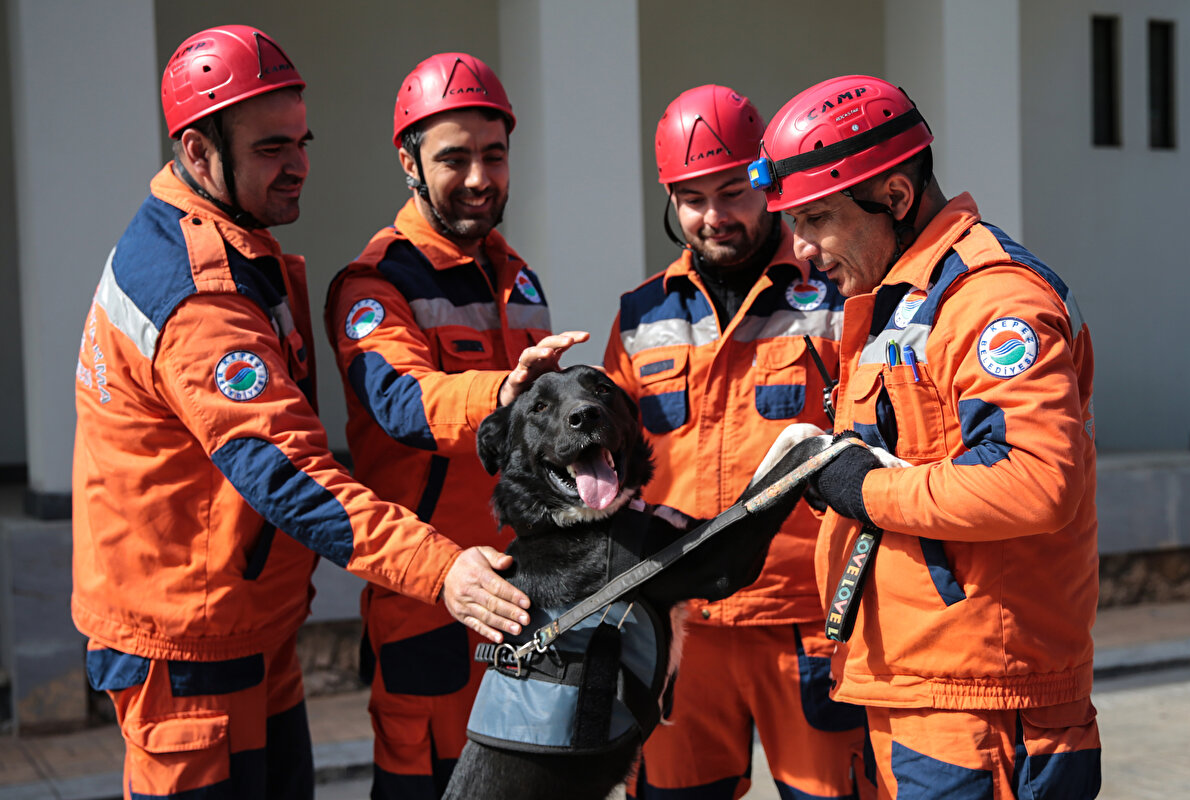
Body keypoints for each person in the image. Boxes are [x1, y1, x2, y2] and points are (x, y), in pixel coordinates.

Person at [72, 27, 533, 799]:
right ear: (197, 151)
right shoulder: (199, 292)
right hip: (189, 646)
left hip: (247, 626)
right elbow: (287, 474)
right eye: (269, 149)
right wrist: (442, 568)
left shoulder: (237, 250)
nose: (298, 167)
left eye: (301, 141)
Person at [750, 75, 1101, 799]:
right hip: (922, 688)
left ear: (897, 198)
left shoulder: (993, 303)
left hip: (984, 706)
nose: (803, 249)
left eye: (816, 219)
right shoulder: (900, 301)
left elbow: (1036, 481)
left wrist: (864, 488)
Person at [324, 52, 586, 799]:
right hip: (428, 606)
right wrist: (504, 391)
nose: (479, 177)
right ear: (407, 161)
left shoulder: (518, 277)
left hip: (523, 600)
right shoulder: (376, 285)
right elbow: (402, 402)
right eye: (454, 157)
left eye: (493, 155)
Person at [604, 85, 871, 799]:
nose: (714, 216)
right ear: (670, 199)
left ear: (766, 183)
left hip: (808, 628)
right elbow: (613, 472)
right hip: (681, 632)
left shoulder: (836, 294)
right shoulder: (639, 314)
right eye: (692, 198)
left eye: (731, 191)